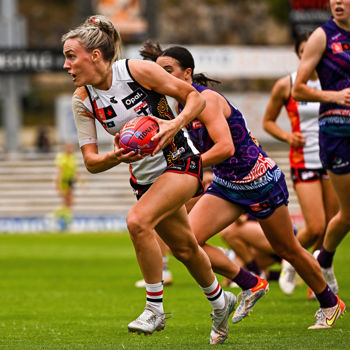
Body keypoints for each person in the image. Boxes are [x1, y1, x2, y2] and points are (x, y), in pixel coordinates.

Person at [144, 41, 345, 329]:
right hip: (228, 184)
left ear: (187, 73)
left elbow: (225, 147)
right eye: (159, 71)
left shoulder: (208, 100)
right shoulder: (179, 105)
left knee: (288, 249)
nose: (163, 77)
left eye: (168, 70)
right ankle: (251, 283)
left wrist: (190, 167)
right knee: (187, 244)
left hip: (259, 180)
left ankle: (329, 302)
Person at [62, 15, 236, 344]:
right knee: (186, 248)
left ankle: (154, 308)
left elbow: (194, 97)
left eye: (71, 56)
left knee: (137, 222)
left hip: (180, 160)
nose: (66, 64)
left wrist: (173, 125)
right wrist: (115, 157)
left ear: (95, 56)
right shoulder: (83, 101)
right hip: (144, 180)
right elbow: (91, 163)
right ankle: (220, 301)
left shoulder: (134, 72)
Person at [263, 32, 339, 297]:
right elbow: (268, 121)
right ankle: (290, 261)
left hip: (331, 156)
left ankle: (316, 282)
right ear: (299, 54)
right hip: (303, 158)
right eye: (304, 50)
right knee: (316, 225)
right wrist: (286, 136)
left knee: (331, 225)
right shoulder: (288, 84)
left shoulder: (335, 83)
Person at [292, 0, 350, 304]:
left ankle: (322, 258)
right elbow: (298, 89)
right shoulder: (322, 36)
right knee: (347, 214)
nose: (337, 2)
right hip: (337, 131)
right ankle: (323, 259)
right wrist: (335, 96)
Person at [54, 142, 78, 231]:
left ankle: (65, 220)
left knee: (69, 203)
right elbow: (59, 172)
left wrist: (81, 182)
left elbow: (75, 171)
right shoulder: (62, 157)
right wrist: (58, 184)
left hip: (70, 181)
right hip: (64, 181)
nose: (70, 149)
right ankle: (59, 217)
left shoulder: (72, 157)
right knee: (67, 202)